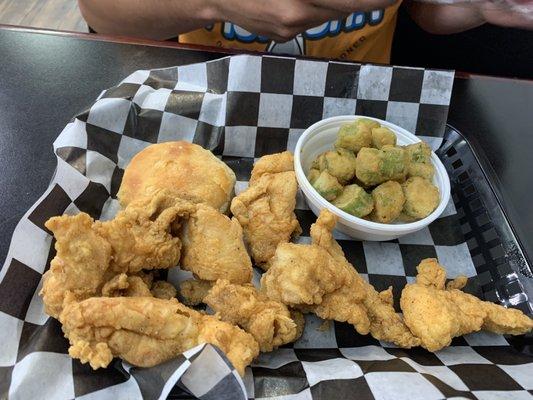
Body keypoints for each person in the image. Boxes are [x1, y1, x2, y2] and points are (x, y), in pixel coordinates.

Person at [78, 0, 533, 64]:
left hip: (364, 105)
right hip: (210, 104)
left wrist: (482, 5)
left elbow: (426, 12)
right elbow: (102, 12)